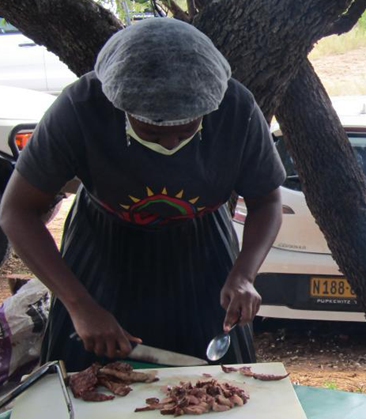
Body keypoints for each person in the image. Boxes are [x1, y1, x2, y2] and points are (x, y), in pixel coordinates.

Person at [0, 18, 285, 370]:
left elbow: (267, 201)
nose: (169, 142)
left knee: (220, 385)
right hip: (101, 249)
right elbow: (16, 211)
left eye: (185, 131)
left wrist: (244, 274)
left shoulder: (236, 110)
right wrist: (79, 305)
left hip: (205, 253)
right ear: (120, 108)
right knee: (85, 377)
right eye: (151, 131)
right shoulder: (80, 108)